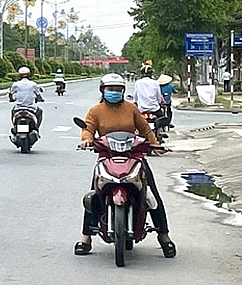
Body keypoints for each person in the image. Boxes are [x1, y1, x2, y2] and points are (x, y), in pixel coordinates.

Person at [75, 73, 175, 258]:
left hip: (134, 156)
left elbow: (145, 129)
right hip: (107, 157)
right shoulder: (95, 111)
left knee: (152, 195)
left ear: (123, 91)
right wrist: (86, 141)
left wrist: (156, 145)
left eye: (118, 89)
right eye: (110, 89)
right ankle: (85, 238)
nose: (114, 92)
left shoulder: (131, 108)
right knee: (94, 195)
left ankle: (164, 236)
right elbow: (87, 129)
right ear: (103, 90)